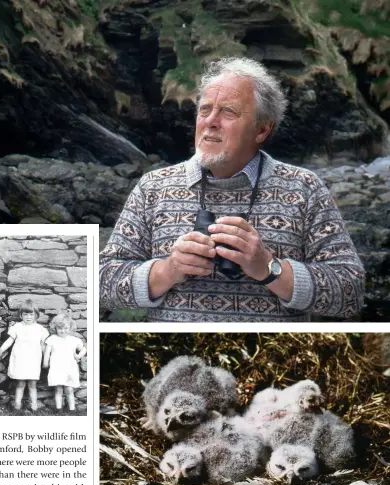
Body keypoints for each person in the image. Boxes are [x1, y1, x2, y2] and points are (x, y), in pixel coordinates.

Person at [99, 57, 365, 322]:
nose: (211, 121)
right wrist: (167, 271)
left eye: (228, 112)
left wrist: (269, 269)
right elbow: (101, 283)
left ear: (261, 130)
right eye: (204, 110)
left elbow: (350, 291)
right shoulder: (153, 188)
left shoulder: (304, 188)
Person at [0, 299, 49, 411]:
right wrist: (1, 350)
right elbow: (9, 341)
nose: (28, 317)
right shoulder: (17, 327)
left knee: (32, 384)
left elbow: (43, 346)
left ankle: (34, 405)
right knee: (20, 384)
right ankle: (17, 404)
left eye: (31, 314)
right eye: (25, 314)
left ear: (36, 315)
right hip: (20, 359)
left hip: (33, 360)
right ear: (21, 315)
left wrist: (47, 359)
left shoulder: (41, 330)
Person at [43, 313, 86, 412]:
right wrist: (45, 363)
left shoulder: (74, 340)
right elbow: (47, 353)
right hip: (57, 368)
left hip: (69, 368)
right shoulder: (52, 339)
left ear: (70, 328)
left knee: (69, 389)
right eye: (60, 328)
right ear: (55, 328)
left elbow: (83, 349)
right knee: (58, 389)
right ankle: (59, 408)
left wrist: (78, 356)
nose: (63, 331)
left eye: (66, 328)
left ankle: (72, 409)